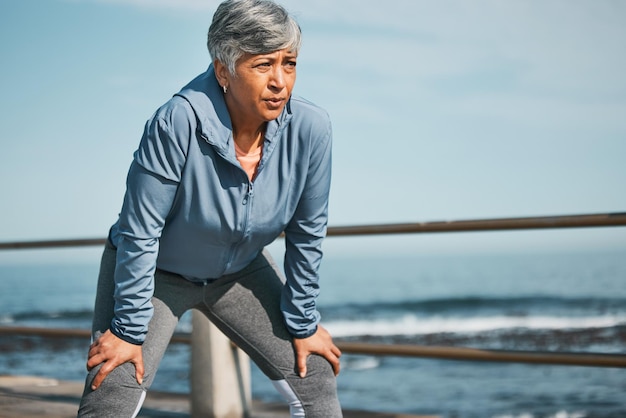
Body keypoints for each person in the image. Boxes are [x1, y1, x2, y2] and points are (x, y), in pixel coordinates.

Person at [77, 0, 343, 416]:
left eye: (289, 63)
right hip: (157, 271)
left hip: (239, 272)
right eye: (262, 65)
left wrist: (303, 324)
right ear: (224, 70)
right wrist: (129, 332)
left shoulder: (311, 129)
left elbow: (308, 232)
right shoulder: (177, 121)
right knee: (113, 383)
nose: (280, 81)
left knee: (315, 376)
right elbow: (140, 231)